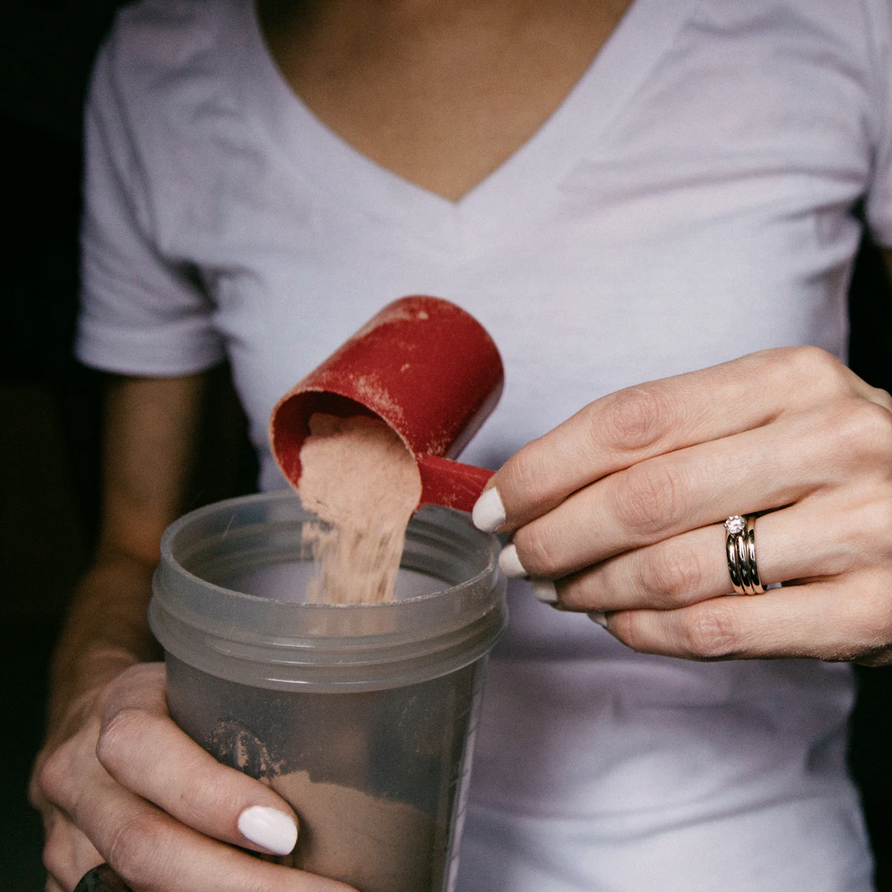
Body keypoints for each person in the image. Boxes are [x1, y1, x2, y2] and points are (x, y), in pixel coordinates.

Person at [30, 0, 892, 890]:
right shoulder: (163, 60)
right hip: (304, 850)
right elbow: (134, 547)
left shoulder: (840, 18)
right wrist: (91, 706)